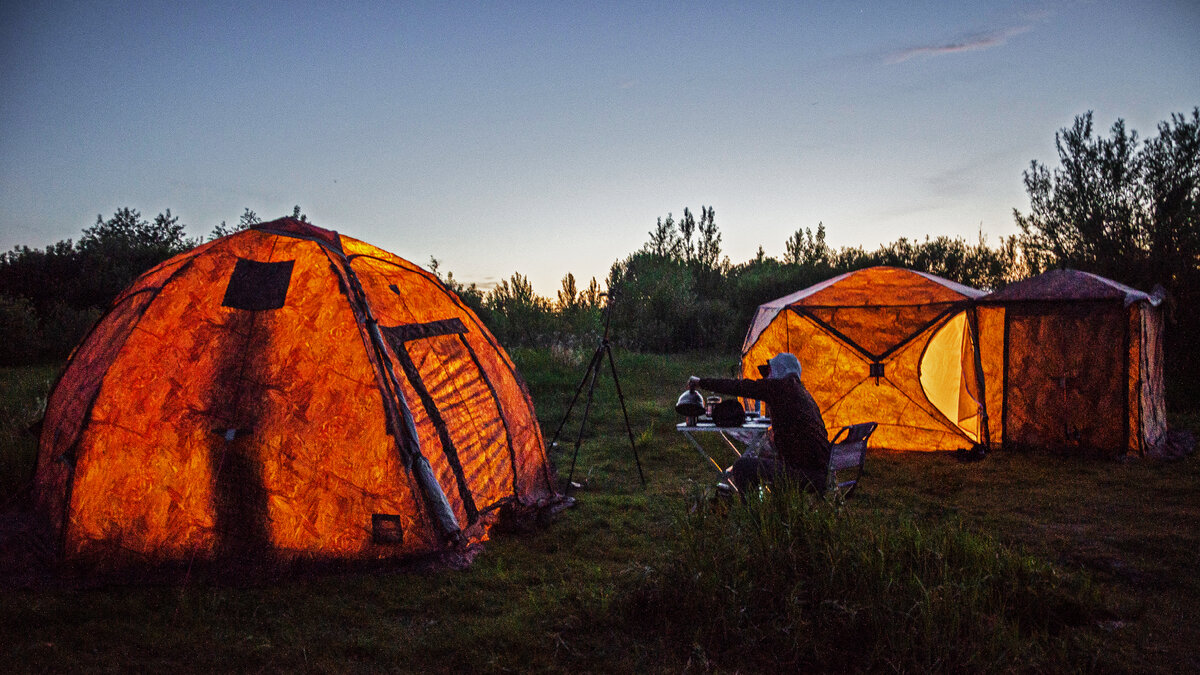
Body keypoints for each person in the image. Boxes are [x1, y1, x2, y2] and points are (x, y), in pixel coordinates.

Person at [688, 353, 831, 494]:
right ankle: (773, 508)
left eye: (769, 372)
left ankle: (753, 514)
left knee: (742, 467)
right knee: (764, 458)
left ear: (780, 370)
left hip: (804, 476)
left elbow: (738, 386)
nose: (767, 377)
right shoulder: (803, 394)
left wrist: (701, 382)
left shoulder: (780, 388)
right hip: (821, 474)